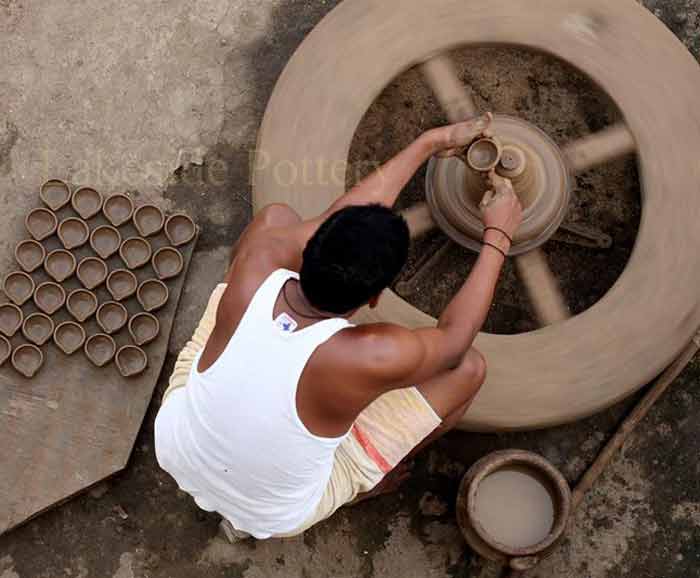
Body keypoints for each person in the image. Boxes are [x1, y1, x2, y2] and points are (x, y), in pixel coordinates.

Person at [154, 112, 523, 541]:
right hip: (274, 512)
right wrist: (498, 236)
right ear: (374, 299)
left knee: (274, 217)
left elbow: (335, 218)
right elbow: (456, 342)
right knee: (469, 370)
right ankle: (363, 485)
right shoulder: (368, 354)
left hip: (177, 445)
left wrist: (430, 142)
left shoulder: (260, 263)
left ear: (310, 248)